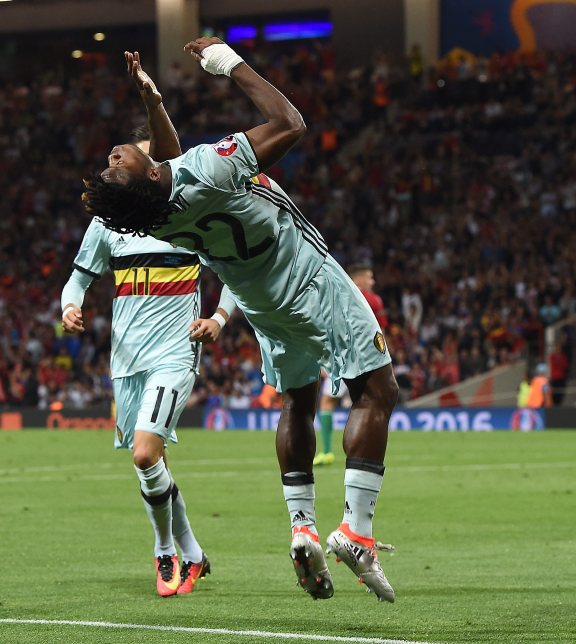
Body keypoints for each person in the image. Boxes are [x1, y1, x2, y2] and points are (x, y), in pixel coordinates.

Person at [82, 41, 399, 602]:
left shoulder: (157, 216)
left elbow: (168, 165)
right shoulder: (208, 167)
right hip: (306, 273)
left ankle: (302, 527)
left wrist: (154, 101)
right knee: (375, 389)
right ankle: (356, 531)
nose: (112, 156)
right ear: (146, 179)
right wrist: (227, 62)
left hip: (258, 301)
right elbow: (290, 124)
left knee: (298, 399)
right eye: (116, 166)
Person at [62, 118, 234, 596]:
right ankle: (195, 553)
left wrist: (217, 319)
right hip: (126, 360)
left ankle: (164, 552)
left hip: (175, 354)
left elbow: (234, 275)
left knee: (143, 454)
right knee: (151, 460)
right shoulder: (107, 223)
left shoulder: (187, 215)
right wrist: (70, 306)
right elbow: (78, 279)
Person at [313, 263, 387, 467]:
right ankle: (367, 450)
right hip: (371, 357)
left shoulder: (338, 294)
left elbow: (329, 327)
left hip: (345, 356)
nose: (372, 282)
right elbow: (381, 332)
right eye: (369, 278)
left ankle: (328, 452)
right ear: (359, 279)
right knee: (365, 403)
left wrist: (326, 360)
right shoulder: (375, 301)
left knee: (328, 401)